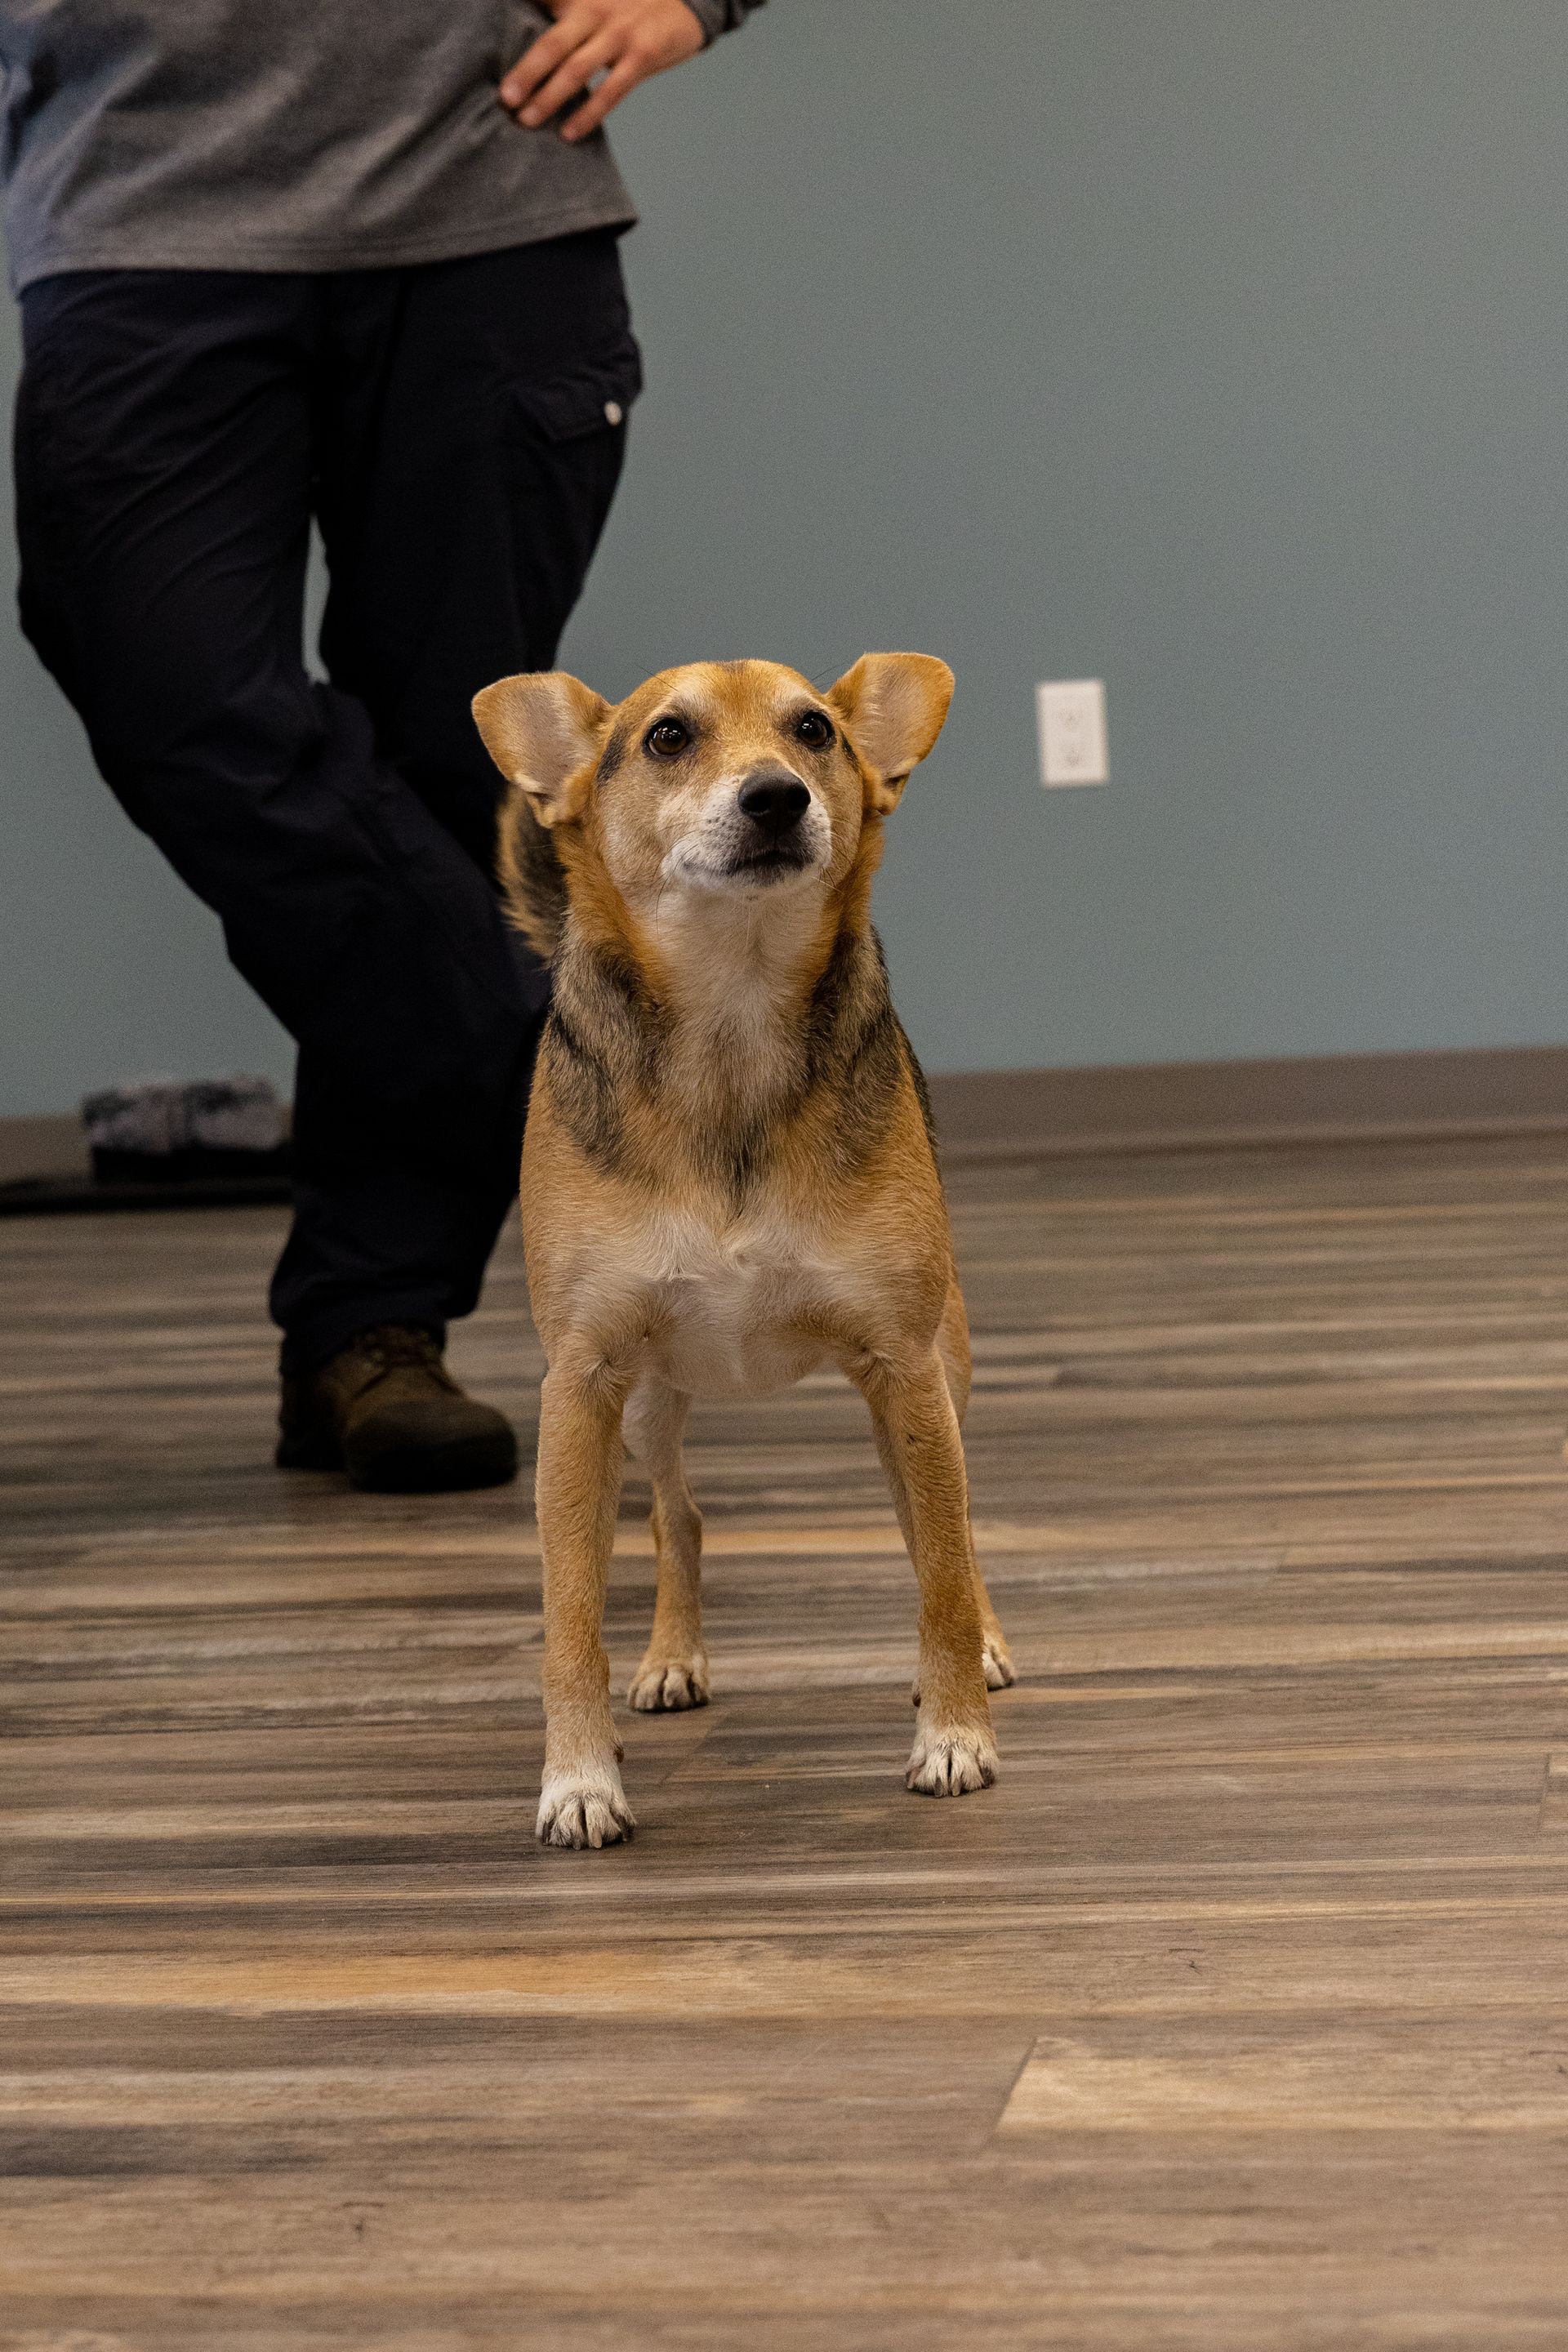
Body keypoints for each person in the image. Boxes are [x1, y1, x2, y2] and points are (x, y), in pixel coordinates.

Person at [2, 0, 764, 1490]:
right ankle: (562, 1051)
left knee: (444, 774)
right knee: (184, 702)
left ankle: (372, 1333)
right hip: (133, 211)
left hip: (484, 211)